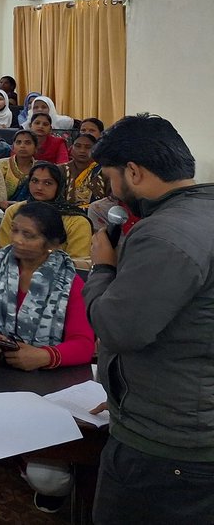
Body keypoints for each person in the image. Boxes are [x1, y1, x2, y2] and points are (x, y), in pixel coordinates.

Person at [79, 115, 214, 524]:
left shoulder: (161, 234)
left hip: (165, 447)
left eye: (111, 179)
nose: (112, 191)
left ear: (134, 172)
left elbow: (119, 329)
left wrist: (102, 266)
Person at [0, 202, 96, 522]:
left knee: (51, 480)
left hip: (44, 381)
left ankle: (25, 462)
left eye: (28, 235)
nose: (16, 239)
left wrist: (43, 356)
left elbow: (84, 345)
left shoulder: (70, 282)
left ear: (52, 243)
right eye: (14, 230)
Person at [0, 162, 91, 259]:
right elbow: (2, 250)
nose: (39, 187)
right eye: (34, 181)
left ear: (60, 186)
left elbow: (78, 263)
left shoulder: (76, 221)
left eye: (48, 183)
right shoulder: (14, 210)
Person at [0, 129, 39, 208]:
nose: (22, 146)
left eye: (28, 143)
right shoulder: (1, 165)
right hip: (2, 210)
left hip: (33, 210)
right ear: (13, 146)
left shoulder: (40, 168)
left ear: (35, 148)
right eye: (18, 142)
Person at [62, 132, 107, 209]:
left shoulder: (104, 171)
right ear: (71, 148)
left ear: (95, 149)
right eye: (78, 146)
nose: (82, 150)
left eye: (88, 147)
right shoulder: (61, 170)